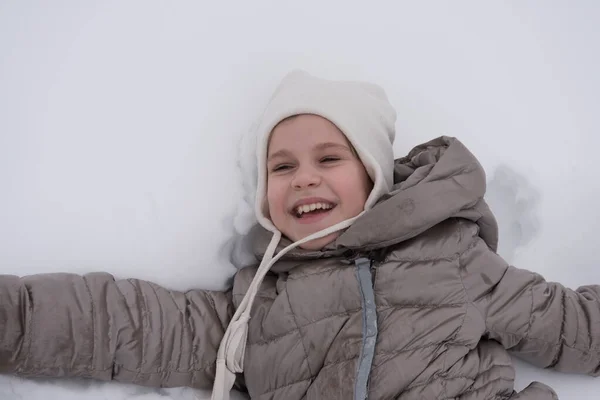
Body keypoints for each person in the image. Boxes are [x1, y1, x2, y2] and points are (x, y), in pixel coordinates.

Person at [1, 70, 599, 400]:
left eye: (329, 158)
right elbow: (126, 323)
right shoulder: (255, 308)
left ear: (373, 173)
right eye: (281, 167)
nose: (302, 178)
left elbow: (574, 328)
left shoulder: (452, 259)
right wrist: (14, 317)